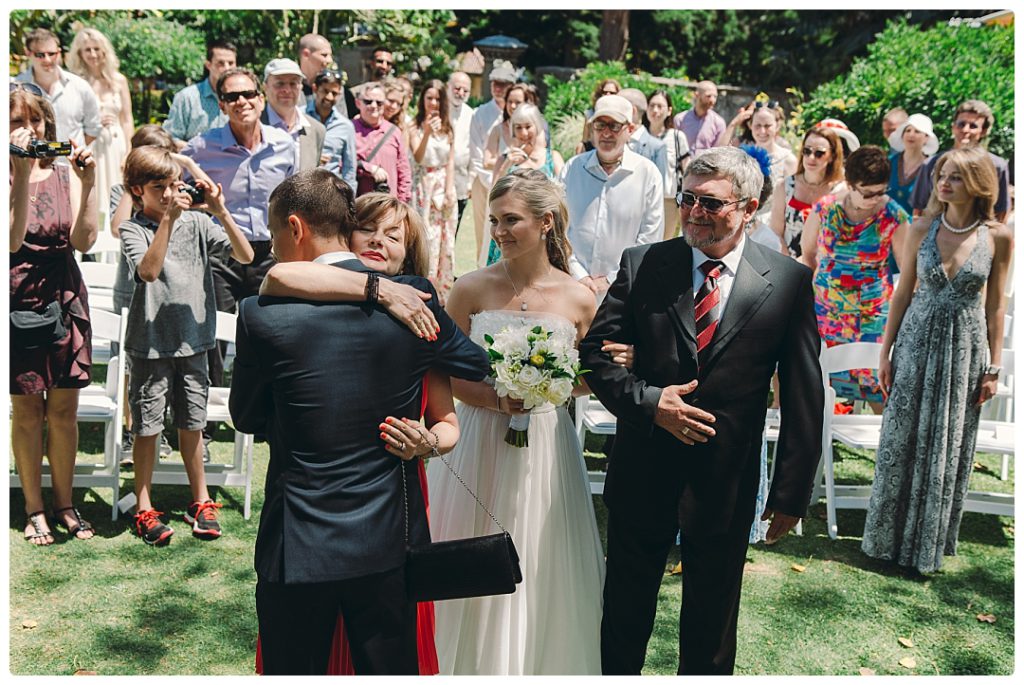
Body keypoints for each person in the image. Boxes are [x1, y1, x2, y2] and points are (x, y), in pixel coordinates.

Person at [230, 168, 490, 675]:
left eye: (275, 232)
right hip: (386, 540)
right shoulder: (414, 301)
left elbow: (247, 416)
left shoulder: (260, 313)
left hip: (297, 541)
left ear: (296, 227)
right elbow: (475, 365)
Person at [580, 146, 824, 675]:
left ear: (749, 207)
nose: (693, 211)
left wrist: (790, 494)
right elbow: (596, 356)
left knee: (711, 628)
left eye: (710, 203)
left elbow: (805, 395)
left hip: (726, 480)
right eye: (687, 198)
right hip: (643, 468)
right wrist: (651, 403)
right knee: (624, 614)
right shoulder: (644, 264)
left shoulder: (787, 282)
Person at [427, 169, 605, 674]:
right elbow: (442, 375)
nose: (500, 231)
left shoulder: (578, 296)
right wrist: (495, 398)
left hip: (547, 444)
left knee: (539, 551)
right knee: (465, 549)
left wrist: (549, 387)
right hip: (476, 438)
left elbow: (589, 378)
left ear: (545, 222)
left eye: (512, 221)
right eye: (495, 220)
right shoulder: (469, 289)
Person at [862, 146, 1012, 573]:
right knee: (900, 438)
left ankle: (926, 545)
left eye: (956, 177)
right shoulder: (921, 226)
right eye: (941, 174)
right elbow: (902, 292)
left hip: (964, 351)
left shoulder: (997, 236)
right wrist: (885, 352)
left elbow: (996, 306)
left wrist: (993, 367)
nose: (943, 183)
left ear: (979, 183)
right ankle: (885, 543)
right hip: (915, 342)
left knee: (946, 444)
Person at [118, 145, 254, 543]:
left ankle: (201, 499)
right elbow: (148, 271)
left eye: (173, 184)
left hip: (194, 343)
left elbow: (245, 255)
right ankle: (144, 506)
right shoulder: (132, 228)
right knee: (147, 427)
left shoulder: (196, 223)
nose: (167, 194)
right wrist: (168, 221)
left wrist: (220, 211)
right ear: (136, 189)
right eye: (157, 186)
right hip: (150, 344)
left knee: (193, 424)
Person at [10, 86, 98, 545]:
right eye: (14, 122)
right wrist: (21, 174)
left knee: (64, 410)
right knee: (28, 412)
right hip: (18, 298)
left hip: (65, 295)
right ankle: (33, 508)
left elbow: (85, 241)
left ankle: (65, 503)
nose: (27, 130)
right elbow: (11, 240)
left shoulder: (65, 171)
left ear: (48, 125)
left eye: (35, 121)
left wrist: (89, 183)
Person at [181, 67, 296, 398]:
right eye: (232, 97)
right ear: (221, 105)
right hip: (222, 252)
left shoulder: (284, 145)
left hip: (270, 253)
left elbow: (293, 198)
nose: (241, 101)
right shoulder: (201, 148)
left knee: (269, 330)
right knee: (214, 331)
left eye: (248, 94)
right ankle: (208, 413)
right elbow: (177, 189)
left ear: (261, 100)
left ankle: (259, 406)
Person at [799, 145, 910, 411]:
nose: (875, 199)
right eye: (868, 193)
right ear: (849, 184)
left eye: (881, 191)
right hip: (828, 311)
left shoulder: (893, 215)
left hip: (874, 313)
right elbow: (808, 252)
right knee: (820, 380)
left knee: (878, 385)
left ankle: (887, 449)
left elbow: (907, 268)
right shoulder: (825, 209)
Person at [560, 94, 663, 299]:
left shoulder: (647, 174)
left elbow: (649, 238)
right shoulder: (572, 169)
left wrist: (611, 279)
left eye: (614, 126)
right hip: (572, 286)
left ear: (630, 130)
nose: (606, 133)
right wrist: (578, 274)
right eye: (600, 125)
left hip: (624, 291)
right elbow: (558, 228)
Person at [483, 104, 564, 265]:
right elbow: (493, 195)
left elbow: (563, 196)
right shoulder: (505, 158)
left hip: (542, 232)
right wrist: (507, 164)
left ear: (538, 127)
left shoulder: (552, 158)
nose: (523, 133)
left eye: (528, 127)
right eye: (518, 128)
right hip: (509, 230)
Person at [65, 27, 133, 218]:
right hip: (90, 145)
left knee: (117, 193)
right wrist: (93, 120)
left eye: (96, 48)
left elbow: (127, 119)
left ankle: (115, 242)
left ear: (104, 50)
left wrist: (129, 151)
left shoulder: (119, 80)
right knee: (91, 192)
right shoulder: (75, 82)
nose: (93, 54)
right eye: (87, 50)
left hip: (115, 144)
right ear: (79, 53)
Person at [909, 99, 1011, 224]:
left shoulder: (997, 166)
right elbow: (918, 211)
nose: (965, 130)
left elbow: (1001, 212)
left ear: (983, 131)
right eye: (961, 124)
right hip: (937, 236)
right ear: (953, 127)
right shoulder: (931, 164)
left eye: (973, 126)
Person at [409, 79, 458, 304]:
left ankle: (443, 291)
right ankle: (423, 284)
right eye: (429, 98)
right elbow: (419, 157)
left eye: (437, 98)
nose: (433, 103)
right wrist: (427, 132)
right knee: (427, 237)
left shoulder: (449, 127)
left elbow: (450, 160)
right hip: (424, 186)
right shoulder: (414, 126)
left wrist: (449, 189)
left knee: (446, 239)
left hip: (443, 185)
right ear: (423, 100)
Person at [770, 125, 846, 258]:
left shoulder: (840, 191)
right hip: (790, 266)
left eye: (819, 153)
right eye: (807, 151)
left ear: (832, 156)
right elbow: (776, 232)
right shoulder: (784, 186)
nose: (811, 157)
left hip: (825, 268)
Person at [16, 27, 101, 147]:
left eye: (52, 54)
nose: (47, 59)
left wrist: (73, 152)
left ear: (59, 52)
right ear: (28, 53)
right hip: (32, 164)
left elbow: (94, 129)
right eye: (40, 55)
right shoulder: (15, 88)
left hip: (72, 163)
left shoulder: (80, 86)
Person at [468, 63, 515, 263]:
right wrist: (493, 174)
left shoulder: (520, 114)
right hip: (484, 180)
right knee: (485, 232)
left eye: (503, 84)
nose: (498, 88)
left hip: (513, 183)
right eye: (495, 83)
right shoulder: (480, 113)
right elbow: (478, 153)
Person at [718, 100, 797, 220]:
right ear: (750, 126)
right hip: (742, 221)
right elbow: (718, 157)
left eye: (767, 126)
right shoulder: (741, 154)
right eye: (758, 126)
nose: (762, 131)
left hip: (771, 225)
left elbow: (791, 201)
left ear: (777, 125)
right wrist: (734, 123)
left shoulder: (788, 160)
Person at [163, 39, 236, 146]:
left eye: (231, 63)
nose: (227, 68)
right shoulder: (187, 98)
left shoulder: (242, 99)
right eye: (220, 63)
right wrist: (199, 150)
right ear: (208, 65)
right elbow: (170, 138)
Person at [260, 58, 326, 171]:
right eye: (279, 83)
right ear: (265, 87)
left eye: (293, 83)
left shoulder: (316, 130)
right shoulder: (254, 126)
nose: (287, 90)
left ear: (300, 87)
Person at [353, 81, 412, 202]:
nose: (374, 106)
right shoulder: (349, 129)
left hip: (388, 205)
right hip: (358, 204)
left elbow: (404, 170)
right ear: (358, 103)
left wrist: (402, 203)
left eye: (379, 103)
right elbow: (340, 162)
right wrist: (368, 168)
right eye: (368, 101)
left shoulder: (394, 132)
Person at [644, 89, 691, 240]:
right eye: (651, 106)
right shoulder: (638, 135)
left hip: (668, 200)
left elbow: (687, 168)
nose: (655, 110)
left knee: (665, 242)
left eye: (660, 106)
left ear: (669, 110)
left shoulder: (677, 137)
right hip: (641, 198)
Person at [306, 69, 357, 189]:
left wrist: (349, 200)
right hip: (302, 187)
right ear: (315, 89)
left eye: (334, 93)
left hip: (331, 191)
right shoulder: (300, 118)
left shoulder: (345, 126)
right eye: (325, 91)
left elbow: (349, 167)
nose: (329, 97)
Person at [482, 83, 534, 188]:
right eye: (510, 102)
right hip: (502, 186)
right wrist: (507, 161)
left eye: (518, 102)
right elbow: (486, 163)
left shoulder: (535, 132)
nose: (513, 106)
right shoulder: (497, 130)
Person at [886, 113, 938, 215]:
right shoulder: (889, 162)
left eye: (917, 131)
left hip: (916, 226)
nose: (911, 135)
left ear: (926, 138)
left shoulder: (932, 168)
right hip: (884, 223)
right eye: (907, 130)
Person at [297, 32, 355, 117]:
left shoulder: (335, 88)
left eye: (330, 55)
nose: (330, 60)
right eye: (324, 55)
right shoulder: (290, 87)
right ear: (306, 54)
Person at [618, 88, 668, 180]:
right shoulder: (614, 142)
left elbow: (660, 189)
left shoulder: (657, 147)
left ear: (632, 111)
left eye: (618, 107)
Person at [447, 71, 475, 230]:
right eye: (457, 88)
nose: (461, 93)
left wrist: (471, 181)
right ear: (448, 87)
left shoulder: (471, 115)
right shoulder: (438, 109)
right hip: (439, 180)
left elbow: (474, 149)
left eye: (465, 90)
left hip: (461, 181)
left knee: (454, 228)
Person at [672, 80, 726, 152]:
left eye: (715, 96)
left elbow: (717, 152)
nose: (713, 100)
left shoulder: (719, 123)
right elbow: (674, 146)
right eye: (708, 96)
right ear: (697, 95)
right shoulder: (680, 119)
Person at [576, 78, 621, 154]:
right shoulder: (590, 114)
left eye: (612, 92)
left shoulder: (621, 115)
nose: (608, 94)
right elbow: (585, 140)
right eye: (605, 92)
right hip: (593, 150)